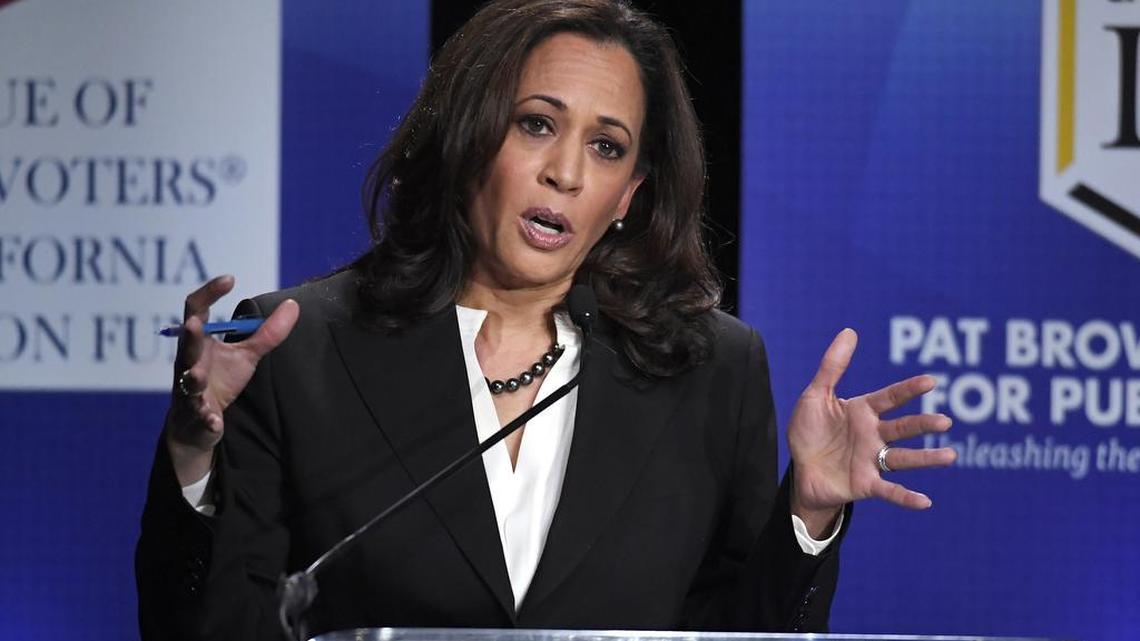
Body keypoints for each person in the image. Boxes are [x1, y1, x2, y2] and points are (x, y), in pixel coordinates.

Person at [136, 1, 956, 639]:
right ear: (467, 135)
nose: (565, 171)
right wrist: (193, 451)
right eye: (537, 124)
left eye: (606, 147)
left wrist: (807, 516)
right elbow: (209, 630)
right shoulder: (298, 343)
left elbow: (740, 634)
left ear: (630, 195)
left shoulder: (711, 370)